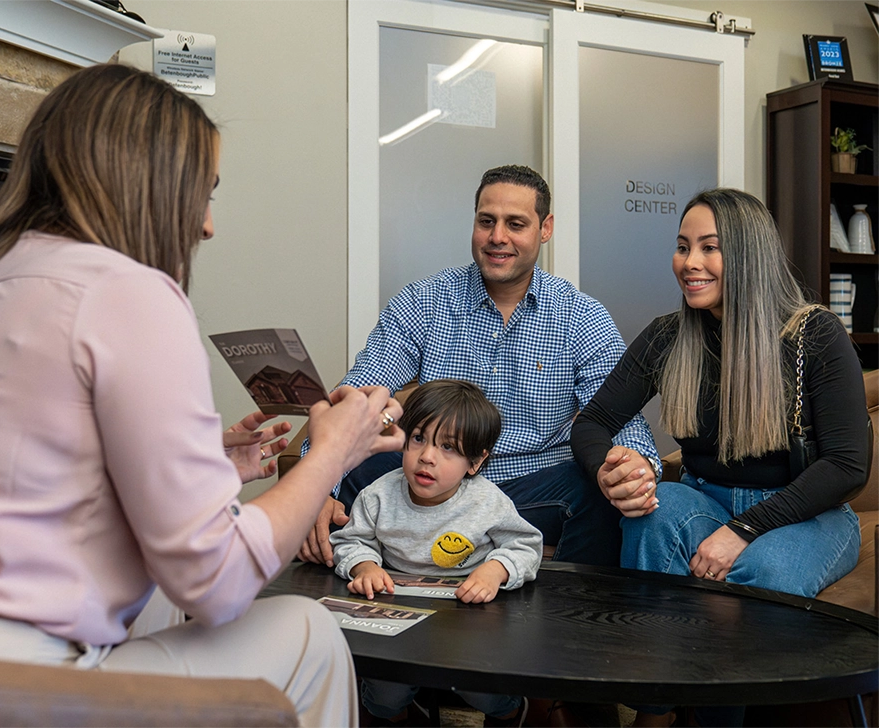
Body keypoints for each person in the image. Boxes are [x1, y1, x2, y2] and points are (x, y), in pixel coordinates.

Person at [0, 64, 406, 728]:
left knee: (154, 593)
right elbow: (215, 583)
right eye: (204, 192)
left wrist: (207, 460)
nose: (209, 225)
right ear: (151, 182)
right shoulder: (126, 291)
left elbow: (7, 470)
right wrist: (333, 454)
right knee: (310, 634)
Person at [571, 188, 869, 728]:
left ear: (748, 253)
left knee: (759, 570)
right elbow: (591, 423)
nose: (690, 264)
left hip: (808, 513)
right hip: (706, 499)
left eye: (709, 248)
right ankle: (654, 711)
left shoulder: (814, 335)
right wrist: (607, 468)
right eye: (683, 247)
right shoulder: (668, 335)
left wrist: (746, 529)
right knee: (650, 517)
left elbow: (848, 466)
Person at [301, 164, 659, 569]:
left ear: (545, 228)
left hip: (530, 493)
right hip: (428, 489)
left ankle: (556, 618)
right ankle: (369, 601)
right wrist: (314, 487)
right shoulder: (424, 302)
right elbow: (359, 395)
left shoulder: (581, 317)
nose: (497, 237)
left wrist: (637, 467)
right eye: (486, 221)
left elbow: (618, 417)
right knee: (357, 461)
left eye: (515, 224)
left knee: (595, 487)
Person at [331, 379, 542, 728]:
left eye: (449, 448)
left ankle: (508, 711)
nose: (427, 456)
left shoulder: (487, 502)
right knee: (384, 696)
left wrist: (494, 571)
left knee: (483, 692)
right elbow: (350, 541)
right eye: (418, 439)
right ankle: (398, 712)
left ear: (475, 462)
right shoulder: (378, 495)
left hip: (468, 614)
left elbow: (526, 545)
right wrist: (364, 566)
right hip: (397, 609)